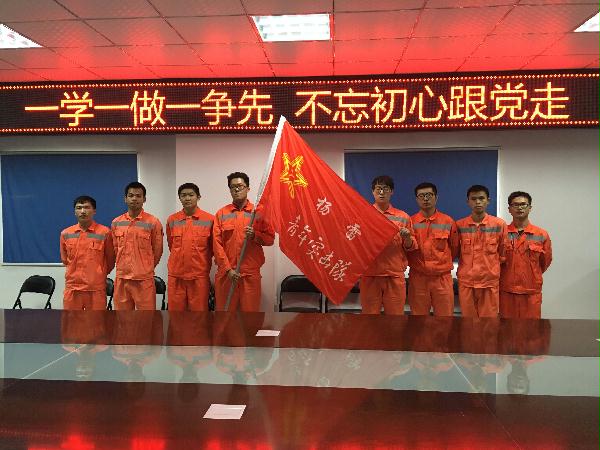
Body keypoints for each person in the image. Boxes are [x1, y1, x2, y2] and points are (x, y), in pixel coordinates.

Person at [213, 172, 274, 311]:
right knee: (225, 317)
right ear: (229, 190)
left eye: (240, 186)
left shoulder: (259, 212)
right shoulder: (221, 214)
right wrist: (228, 269)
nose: (236, 189)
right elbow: (217, 245)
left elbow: (270, 239)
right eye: (233, 187)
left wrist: (255, 236)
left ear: (248, 188)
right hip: (227, 275)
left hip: (250, 275)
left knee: (250, 317)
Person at [360, 175, 416, 315]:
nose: (381, 192)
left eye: (385, 189)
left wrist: (407, 237)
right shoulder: (363, 214)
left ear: (392, 192)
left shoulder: (403, 217)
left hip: (394, 275)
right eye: (378, 189)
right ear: (372, 191)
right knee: (369, 319)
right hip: (370, 275)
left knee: (395, 319)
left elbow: (411, 247)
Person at [407, 182, 459, 316]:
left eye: (429, 195)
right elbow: (407, 248)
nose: (425, 199)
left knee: (445, 319)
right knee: (418, 319)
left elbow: (454, 248)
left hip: (442, 278)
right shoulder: (410, 222)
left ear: (436, 197)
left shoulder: (448, 221)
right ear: (416, 199)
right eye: (421, 196)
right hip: (418, 278)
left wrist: (441, 264)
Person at [456, 185, 507, 317]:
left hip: (489, 283)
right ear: (468, 202)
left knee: (488, 323)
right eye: (473, 199)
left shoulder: (499, 225)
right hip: (466, 282)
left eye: (481, 198)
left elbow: (503, 253)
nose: (477, 202)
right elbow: (455, 251)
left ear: (488, 201)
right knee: (468, 323)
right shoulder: (460, 225)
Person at [500, 191, 552, 319]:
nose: (520, 208)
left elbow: (545, 262)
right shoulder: (502, 233)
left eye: (523, 204)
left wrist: (531, 274)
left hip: (531, 292)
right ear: (509, 209)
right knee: (507, 328)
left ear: (530, 208)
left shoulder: (541, 234)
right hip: (507, 291)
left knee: (531, 329)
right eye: (515, 205)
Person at [111, 182, 163, 310]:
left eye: (138, 196)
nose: (134, 199)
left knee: (145, 318)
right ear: (125, 198)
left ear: (144, 199)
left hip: (143, 280)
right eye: (131, 195)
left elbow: (157, 250)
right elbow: (115, 249)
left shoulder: (153, 222)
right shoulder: (116, 222)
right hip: (122, 279)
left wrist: (146, 268)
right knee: (122, 318)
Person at [60, 195, 115, 310]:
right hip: (73, 289)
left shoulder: (104, 232)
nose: (82, 211)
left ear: (94, 211)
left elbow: (110, 259)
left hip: (95, 290)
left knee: (96, 321)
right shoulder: (66, 233)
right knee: (72, 321)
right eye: (79, 208)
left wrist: (98, 274)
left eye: (86, 207)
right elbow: (65, 259)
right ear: (75, 212)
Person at [166, 183, 214, 311]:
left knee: (198, 315)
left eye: (191, 195)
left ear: (198, 197)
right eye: (183, 195)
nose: (187, 198)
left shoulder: (210, 220)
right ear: (180, 198)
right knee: (176, 315)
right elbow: (171, 245)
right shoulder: (172, 220)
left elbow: (212, 249)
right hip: (176, 277)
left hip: (199, 277)